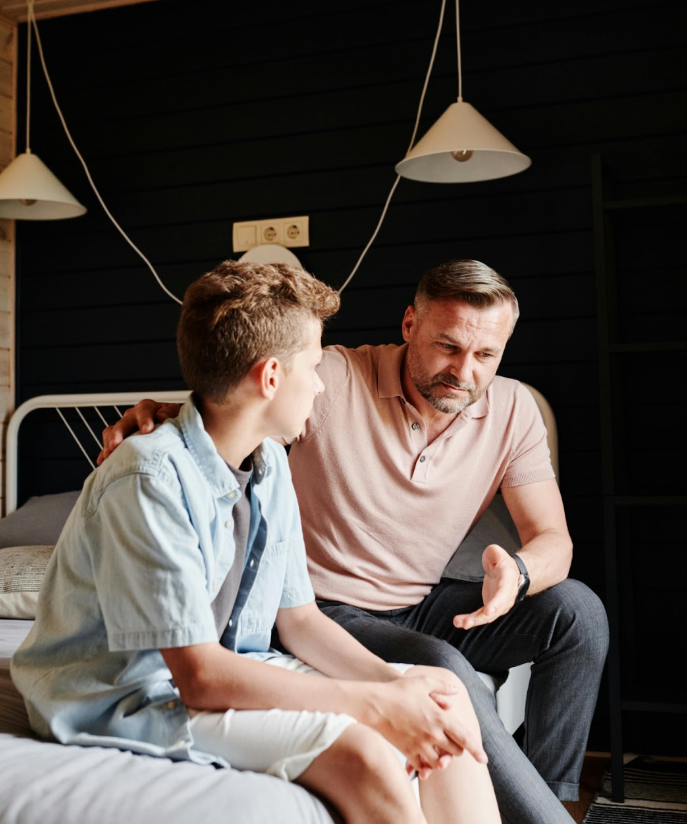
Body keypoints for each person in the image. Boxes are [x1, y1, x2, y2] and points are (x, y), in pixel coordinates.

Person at [98, 259, 610, 824]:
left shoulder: (514, 409)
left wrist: (517, 571)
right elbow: (240, 402)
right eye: (447, 347)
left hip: (420, 602)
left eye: (486, 355)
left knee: (578, 613)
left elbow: (553, 541)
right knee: (443, 671)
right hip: (331, 608)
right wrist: (166, 415)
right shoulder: (333, 378)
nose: (463, 371)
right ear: (410, 324)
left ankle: (549, 798)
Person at [12, 260, 502, 824]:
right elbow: (198, 676)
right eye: (314, 367)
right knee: (364, 753)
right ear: (270, 377)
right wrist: (376, 704)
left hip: (234, 667)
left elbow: (299, 620)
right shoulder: (147, 478)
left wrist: (399, 686)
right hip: (128, 695)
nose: (320, 385)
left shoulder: (269, 461)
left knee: (439, 688)